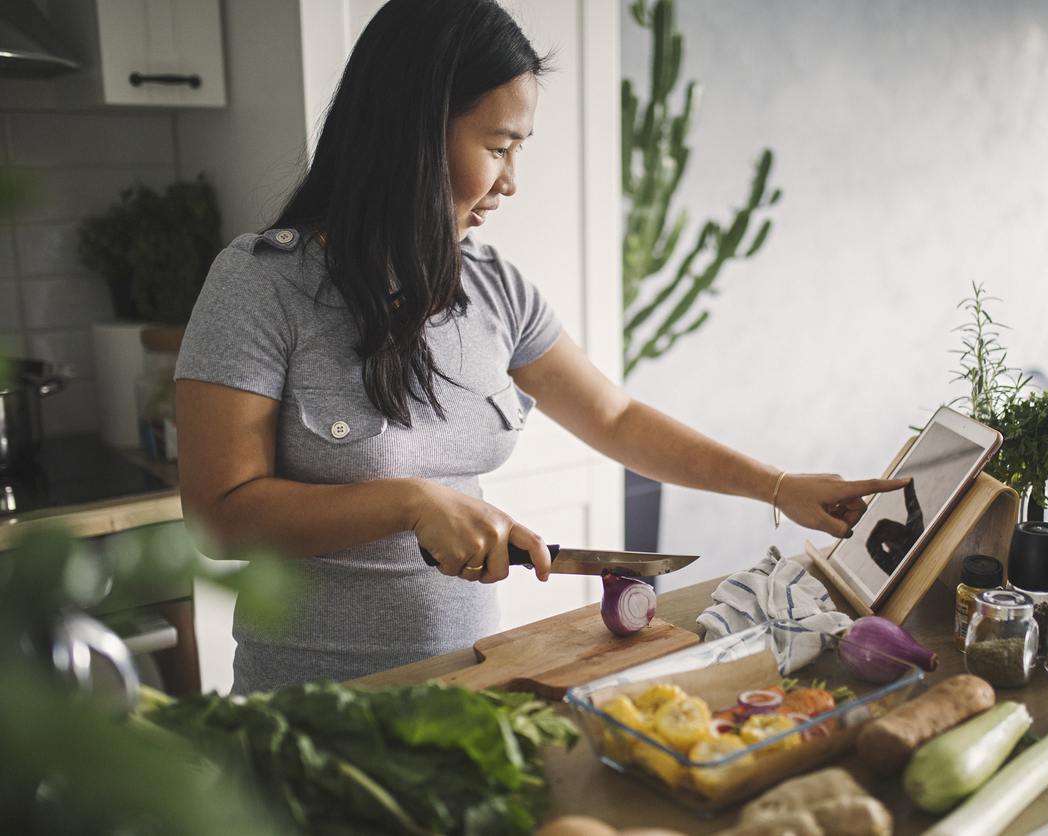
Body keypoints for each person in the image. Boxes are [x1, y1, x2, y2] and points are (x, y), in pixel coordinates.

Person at [174, 0, 908, 694]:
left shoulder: (497, 289)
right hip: (310, 708)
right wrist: (407, 501)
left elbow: (615, 419)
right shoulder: (260, 283)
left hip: (469, 686)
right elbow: (219, 515)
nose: (511, 182)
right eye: (498, 147)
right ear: (413, 133)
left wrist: (778, 487)